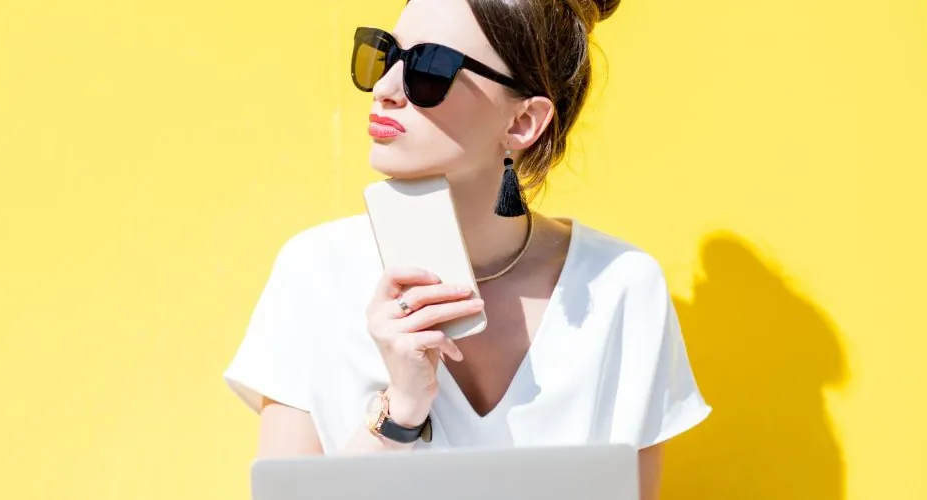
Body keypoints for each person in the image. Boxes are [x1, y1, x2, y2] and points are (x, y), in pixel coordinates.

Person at [223, 0, 711, 498]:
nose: (386, 89)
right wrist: (401, 412)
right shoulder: (315, 274)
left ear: (523, 122)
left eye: (430, 67)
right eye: (383, 54)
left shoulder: (621, 289)